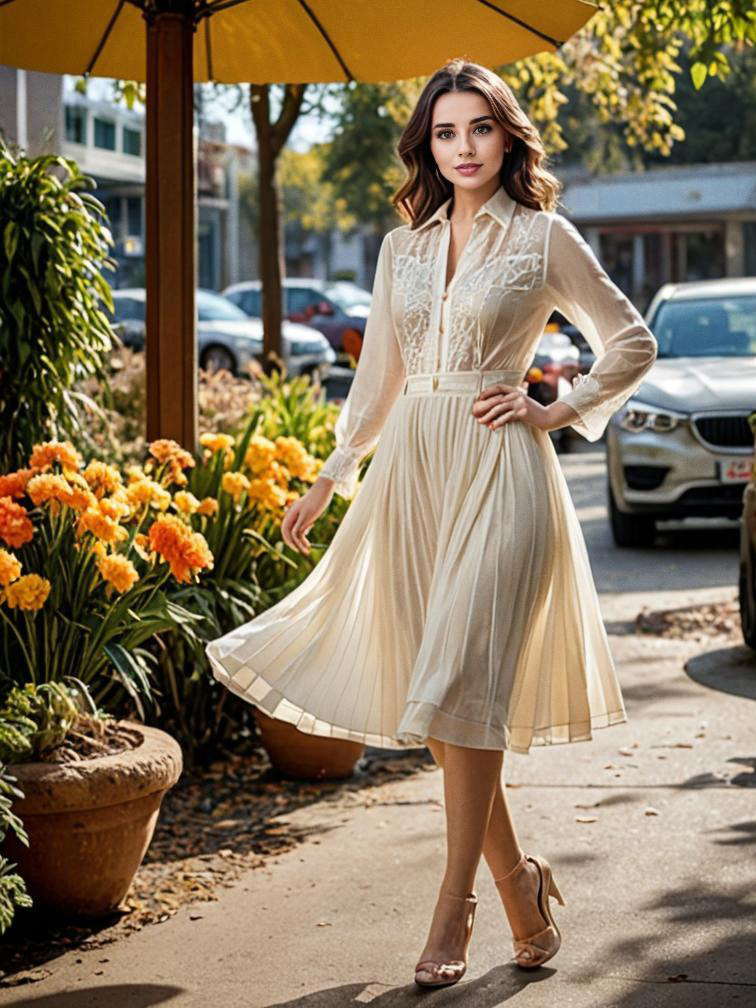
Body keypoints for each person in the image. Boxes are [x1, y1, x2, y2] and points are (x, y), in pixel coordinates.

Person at [206, 58, 658, 987]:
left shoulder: (543, 237)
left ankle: (452, 912)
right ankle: (521, 885)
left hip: (502, 472)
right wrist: (330, 477)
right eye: (446, 132)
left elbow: (631, 341)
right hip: (412, 476)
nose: (463, 147)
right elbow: (381, 382)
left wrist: (552, 409)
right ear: (427, 143)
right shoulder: (399, 248)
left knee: (462, 680)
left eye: (480, 129)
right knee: (450, 711)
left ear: (507, 135)